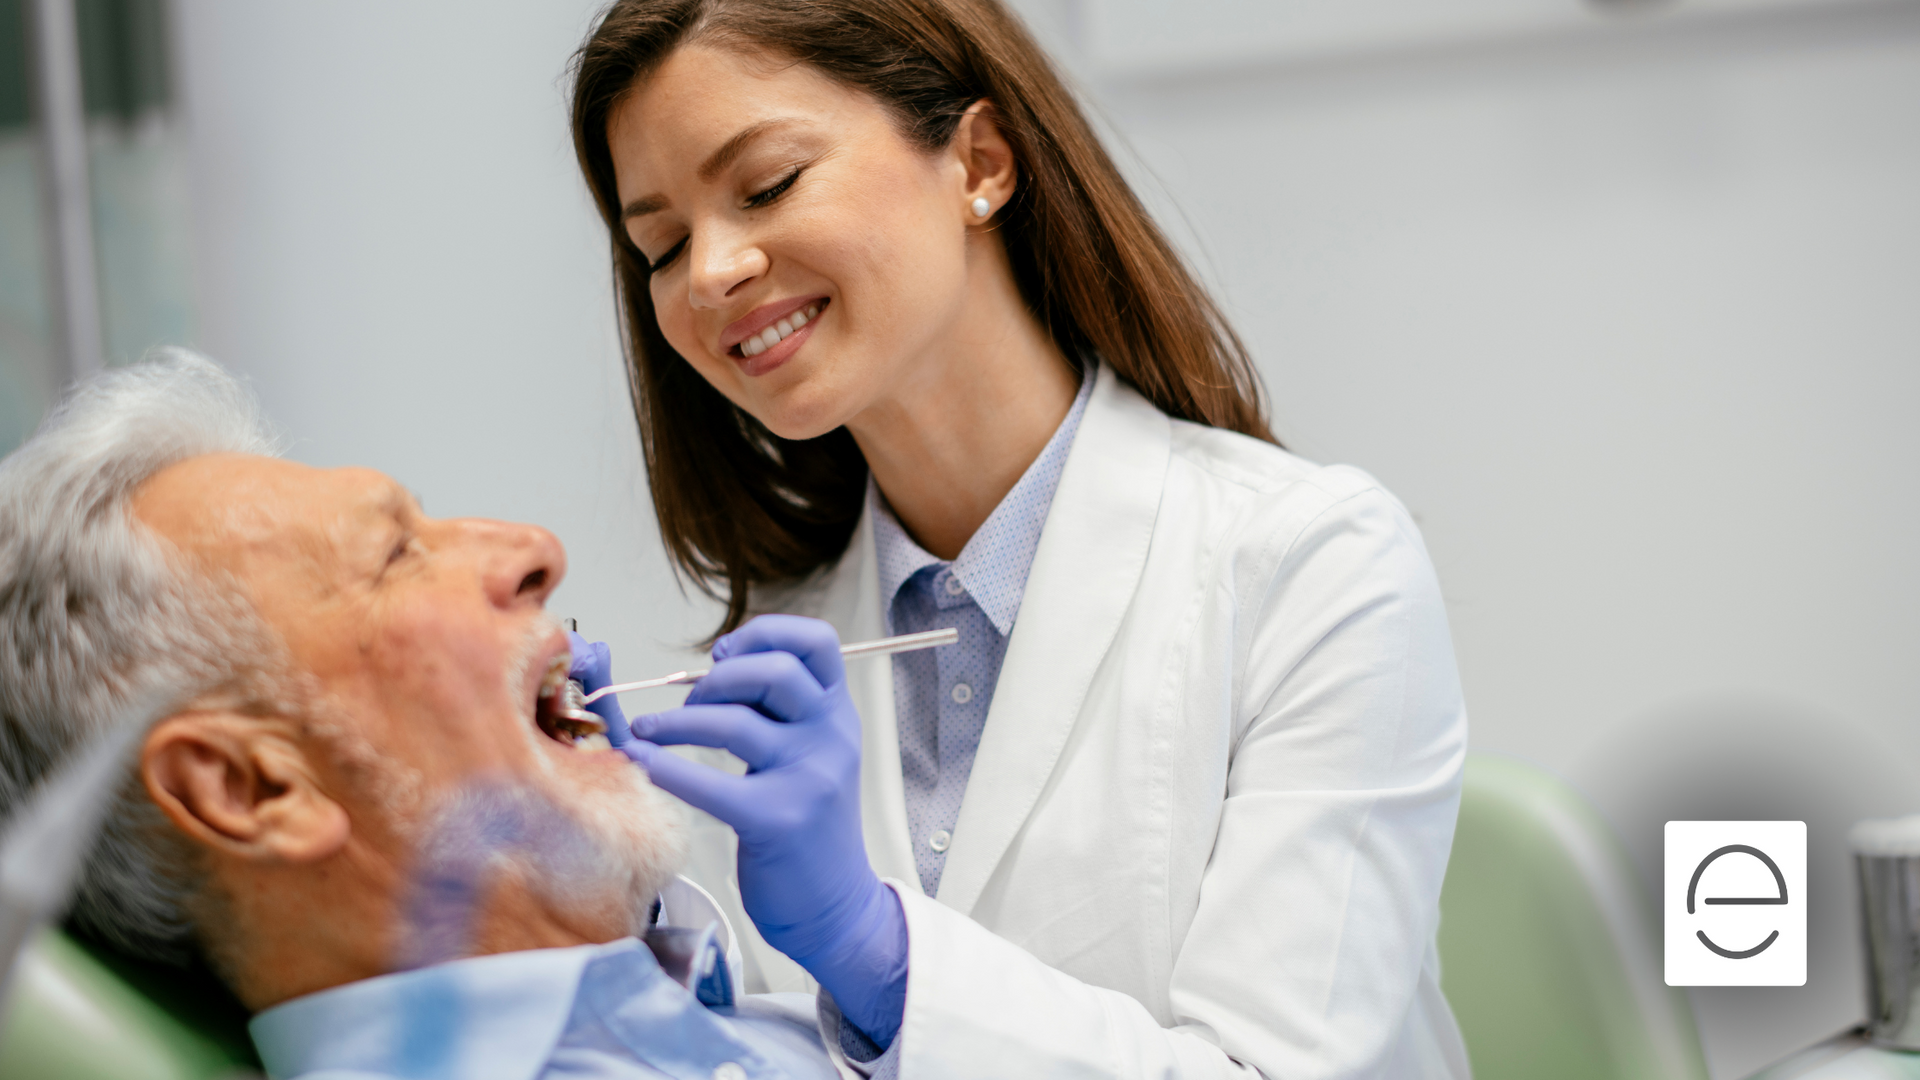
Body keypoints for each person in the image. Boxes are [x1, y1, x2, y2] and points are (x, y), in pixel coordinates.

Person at [566, 0, 1472, 1077]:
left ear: (980, 164)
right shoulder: (770, 667)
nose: (708, 272)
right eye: (660, 244)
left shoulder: (1310, 567)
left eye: (766, 186)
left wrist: (881, 958)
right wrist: (626, 892)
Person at [0, 352, 859, 1080]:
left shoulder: (723, 998)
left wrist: (878, 967)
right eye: (396, 555)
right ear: (250, 787)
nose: (535, 549)